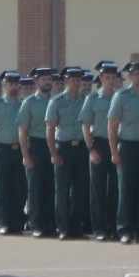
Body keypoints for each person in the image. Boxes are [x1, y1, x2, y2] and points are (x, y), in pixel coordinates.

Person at [108, 61, 139, 244]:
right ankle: (124, 229)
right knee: (126, 189)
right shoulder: (121, 96)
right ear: (130, 76)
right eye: (137, 73)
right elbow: (112, 125)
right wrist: (114, 151)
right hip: (128, 145)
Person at [46, 67, 90, 238]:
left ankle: (76, 227)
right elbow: (50, 129)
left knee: (80, 190)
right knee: (62, 190)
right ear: (65, 81)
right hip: (63, 147)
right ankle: (63, 228)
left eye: (78, 79)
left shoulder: (86, 100)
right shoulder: (56, 101)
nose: (76, 82)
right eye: (72, 79)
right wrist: (53, 153)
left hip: (81, 148)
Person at [80, 62, 118, 240]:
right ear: (101, 79)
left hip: (118, 145)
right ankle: (99, 229)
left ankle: (113, 227)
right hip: (99, 145)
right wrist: (91, 149)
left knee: (115, 189)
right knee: (98, 189)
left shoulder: (120, 97)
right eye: (107, 78)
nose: (110, 81)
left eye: (113, 78)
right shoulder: (93, 99)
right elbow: (86, 126)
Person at [0, 72, 26, 234]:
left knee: (20, 188)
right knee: (2, 188)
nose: (14, 87)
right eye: (10, 84)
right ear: (4, 85)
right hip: (2, 149)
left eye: (16, 84)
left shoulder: (23, 104)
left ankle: (17, 222)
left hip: (20, 150)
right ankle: (3, 223)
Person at [17, 69, 56, 236]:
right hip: (36, 146)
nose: (47, 82)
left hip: (54, 146)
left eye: (49, 79)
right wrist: (26, 155)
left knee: (51, 186)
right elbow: (22, 131)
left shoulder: (56, 101)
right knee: (35, 188)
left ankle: (49, 224)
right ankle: (36, 224)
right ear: (37, 82)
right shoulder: (29, 102)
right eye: (44, 79)